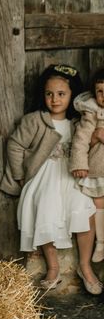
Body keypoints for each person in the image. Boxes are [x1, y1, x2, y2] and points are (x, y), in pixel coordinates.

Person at [0, 64, 101, 295]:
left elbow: (86, 147)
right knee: (44, 206)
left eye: (61, 94)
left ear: (72, 95)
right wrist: (19, 174)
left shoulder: (78, 123)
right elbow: (15, 144)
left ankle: (85, 267)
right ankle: (53, 267)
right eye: (49, 94)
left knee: (85, 207)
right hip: (45, 174)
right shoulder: (35, 120)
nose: (55, 99)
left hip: (71, 174)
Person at [70, 68, 104, 263]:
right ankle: (101, 243)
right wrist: (80, 163)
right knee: (99, 204)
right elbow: (81, 139)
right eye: (100, 91)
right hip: (99, 167)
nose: (103, 96)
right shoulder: (92, 112)